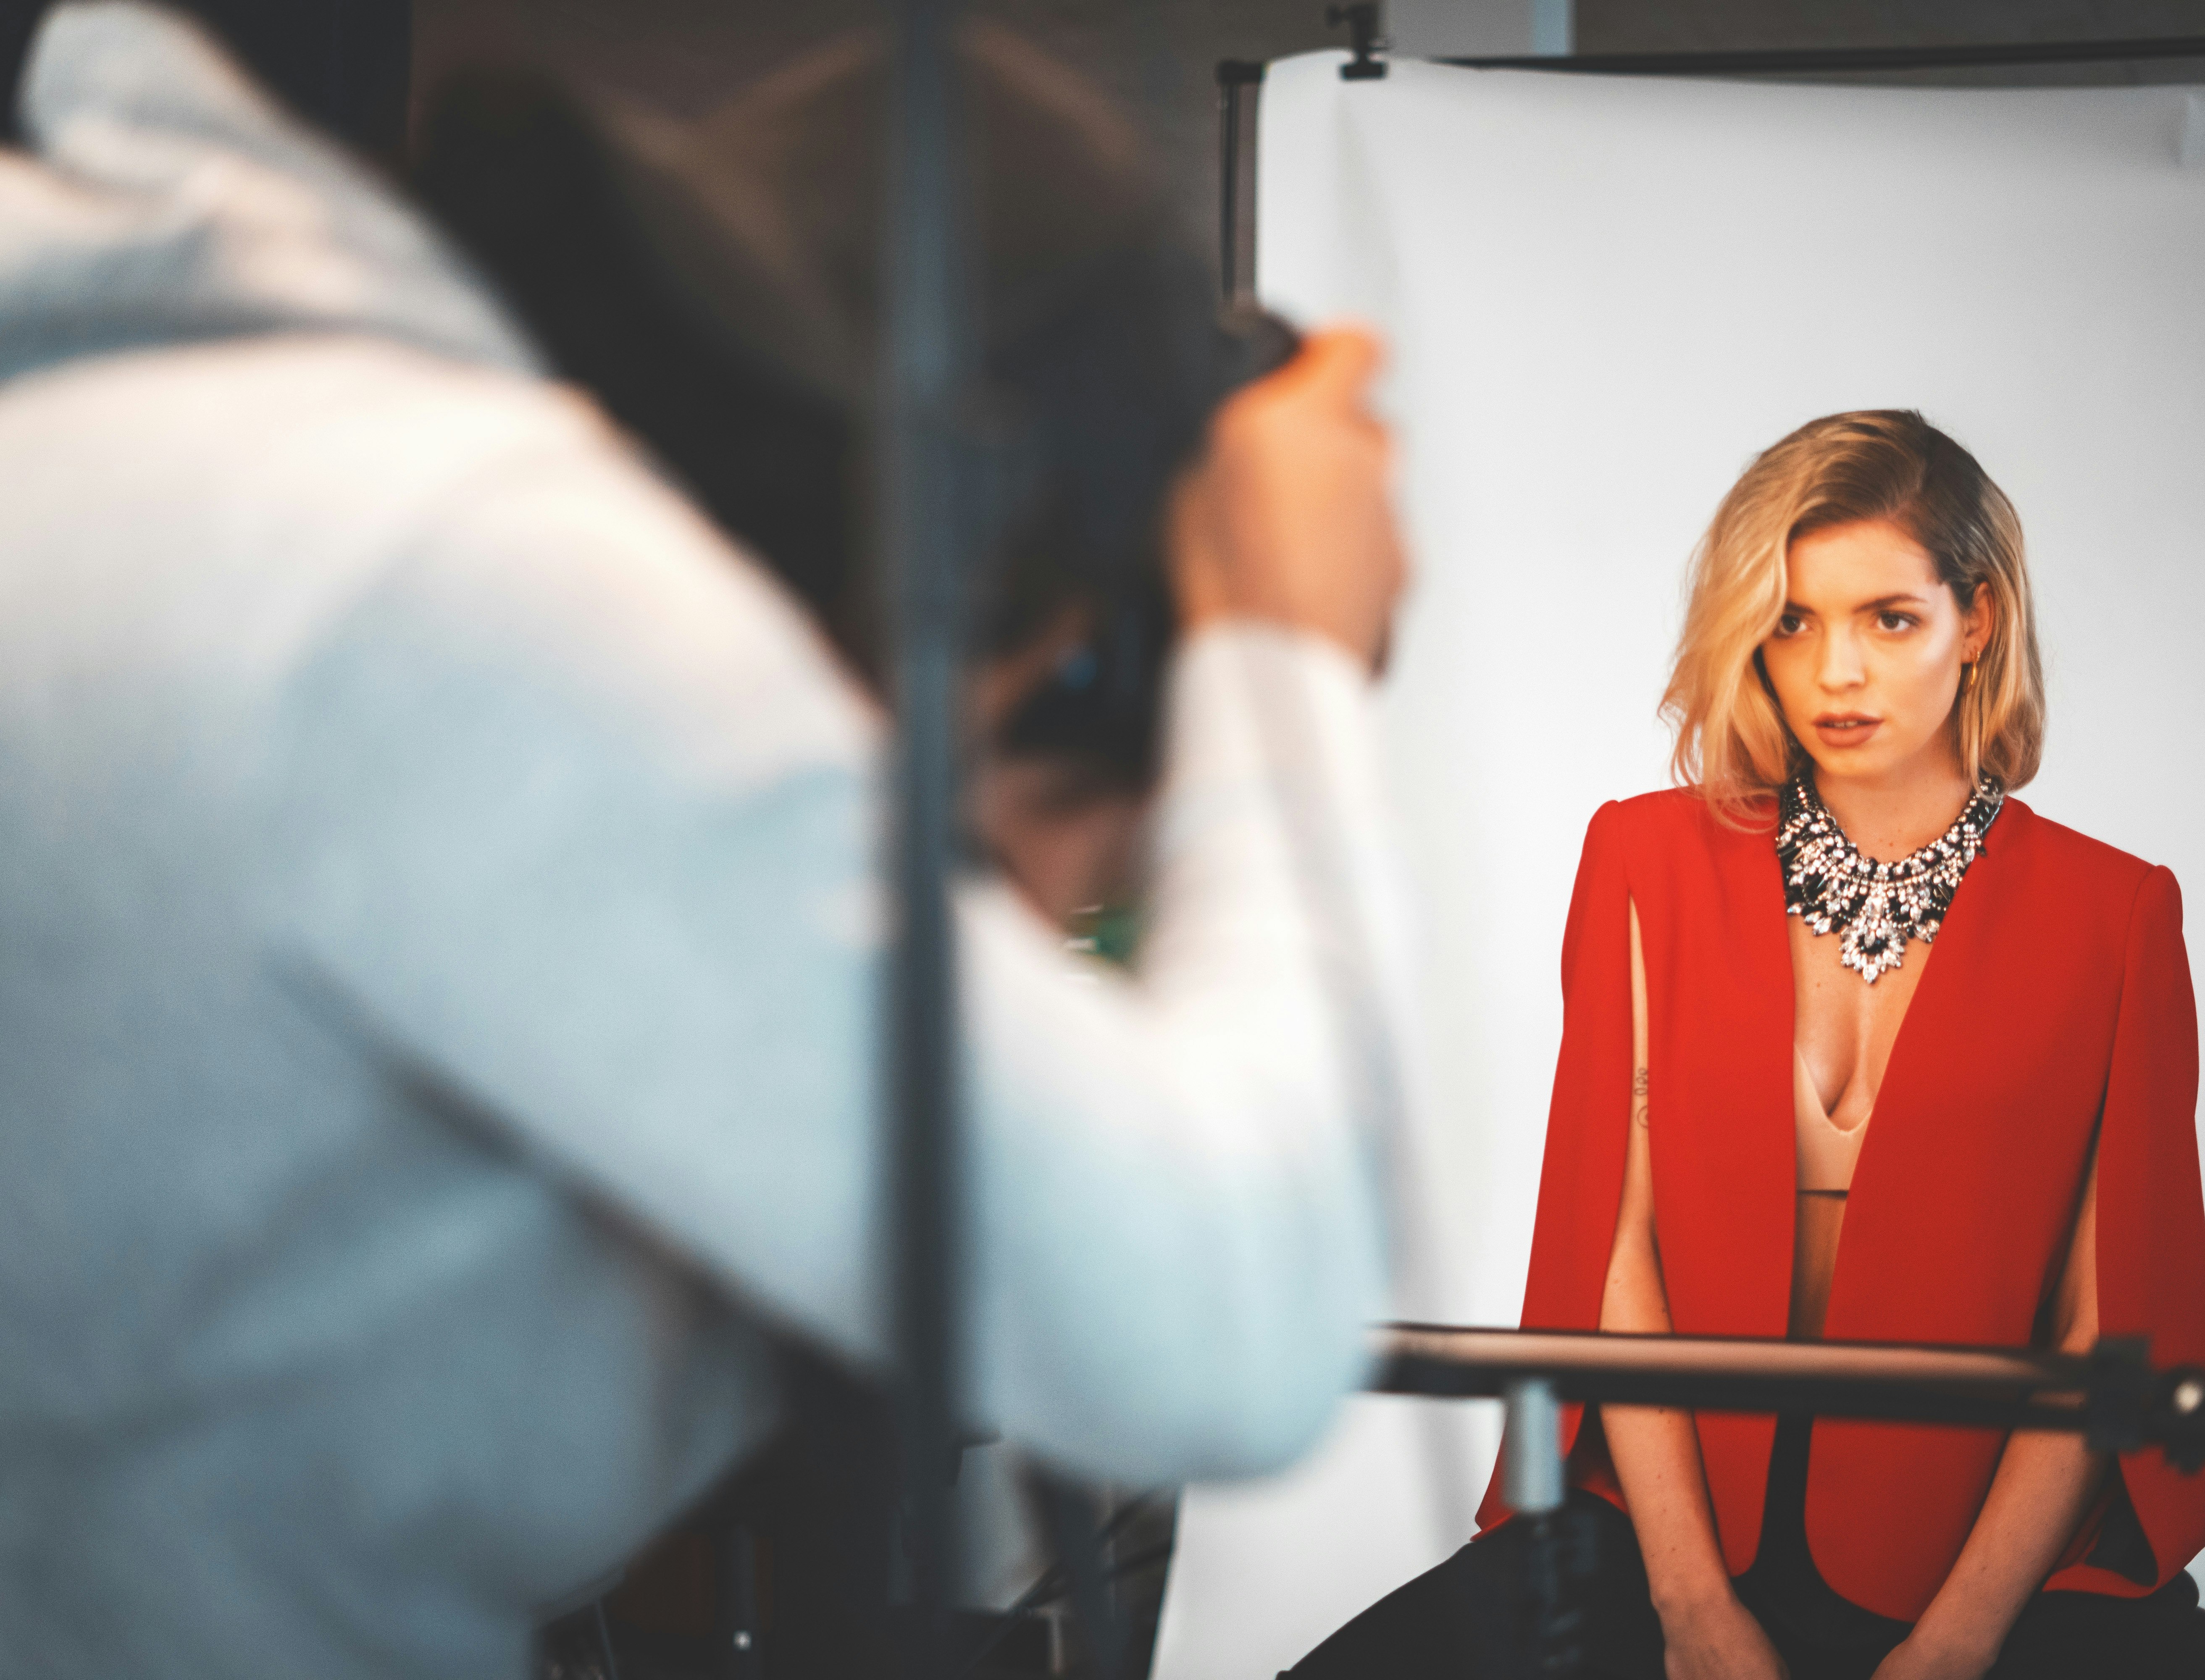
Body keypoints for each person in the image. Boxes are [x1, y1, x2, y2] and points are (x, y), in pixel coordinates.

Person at [0, 5, 1408, 1677]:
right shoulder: (446, 579)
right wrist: (1274, 644)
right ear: (1037, 646)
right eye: (1067, 873)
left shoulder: (219, 487)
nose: (1009, 948)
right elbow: (1225, 1330)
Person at [1291, 412, 2205, 1680]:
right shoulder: (1641, 864)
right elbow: (1616, 1257)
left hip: (1983, 1552)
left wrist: (1957, 1644)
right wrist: (1691, 1610)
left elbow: (2101, 1331)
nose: (1833, 673)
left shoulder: (2116, 916)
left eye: (1887, 620)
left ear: (1978, 621)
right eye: (1792, 621)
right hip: (1669, 1519)